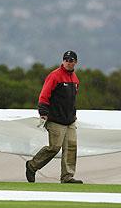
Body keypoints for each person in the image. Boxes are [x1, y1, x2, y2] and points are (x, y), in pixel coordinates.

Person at [25, 50, 83, 184]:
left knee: (71, 147)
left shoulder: (75, 79)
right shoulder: (55, 76)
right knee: (54, 147)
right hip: (55, 119)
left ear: (76, 62)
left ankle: (67, 177)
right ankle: (32, 166)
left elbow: (72, 100)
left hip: (70, 120)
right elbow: (44, 95)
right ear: (63, 61)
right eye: (66, 60)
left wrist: (73, 115)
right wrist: (43, 113)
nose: (68, 63)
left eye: (71, 60)